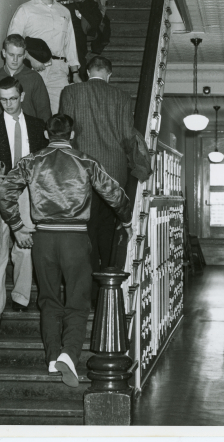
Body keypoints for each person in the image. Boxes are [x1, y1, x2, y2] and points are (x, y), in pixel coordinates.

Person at [0, 114, 132, 387]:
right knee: (77, 301)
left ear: (47, 135)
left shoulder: (31, 161)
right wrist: (126, 220)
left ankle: (51, 356)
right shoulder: (86, 161)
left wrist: (18, 226)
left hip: (43, 239)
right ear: (72, 135)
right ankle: (68, 354)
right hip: (76, 240)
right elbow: (115, 194)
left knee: (48, 300)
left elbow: (4, 192)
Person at [0, 77, 48, 338]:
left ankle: (21, 297)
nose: (8, 104)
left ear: (22, 96)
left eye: (13, 98)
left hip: (28, 193)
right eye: (3, 100)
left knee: (25, 248)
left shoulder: (38, 127)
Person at [59, 56, 134, 290]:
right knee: (109, 232)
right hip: (114, 175)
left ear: (87, 72)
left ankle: (88, 291)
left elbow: (64, 132)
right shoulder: (122, 97)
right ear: (109, 74)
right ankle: (108, 287)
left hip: (83, 173)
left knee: (86, 232)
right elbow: (127, 137)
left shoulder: (71, 92)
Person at [8, 0, 82, 113]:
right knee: (32, 116)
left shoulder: (64, 11)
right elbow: (12, 41)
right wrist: (31, 59)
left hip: (59, 72)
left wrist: (75, 73)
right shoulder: (25, 10)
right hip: (32, 70)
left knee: (59, 117)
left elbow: (70, 45)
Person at [0, 34, 51, 122]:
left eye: (19, 55)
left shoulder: (34, 78)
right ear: (4, 53)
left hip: (29, 131)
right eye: (11, 55)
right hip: (1, 132)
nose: (15, 60)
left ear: (25, 55)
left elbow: (44, 111)